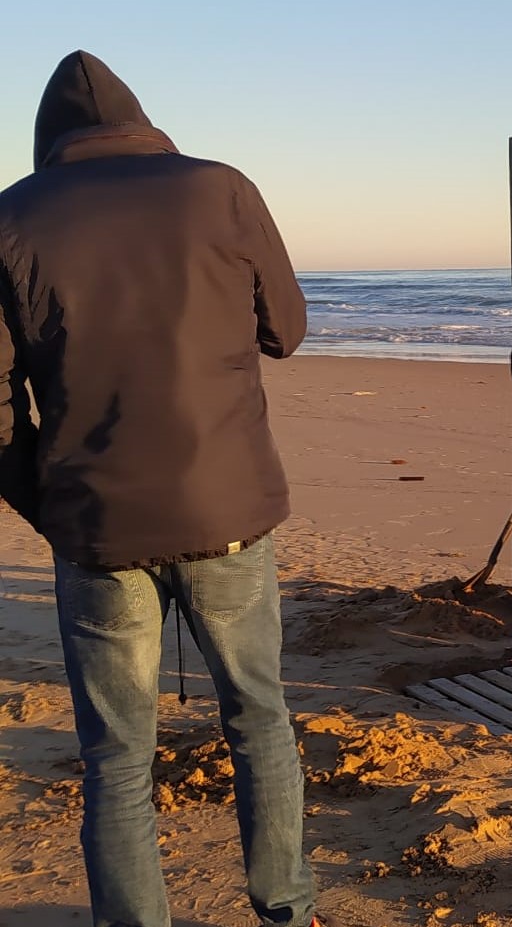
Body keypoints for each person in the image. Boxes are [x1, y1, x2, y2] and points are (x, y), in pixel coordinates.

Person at [0, 51, 319, 926]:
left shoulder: (11, 217)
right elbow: (285, 330)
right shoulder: (219, 188)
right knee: (259, 719)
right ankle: (287, 907)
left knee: (115, 759)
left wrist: (52, 500)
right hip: (228, 510)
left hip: (97, 526)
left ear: (49, 142)